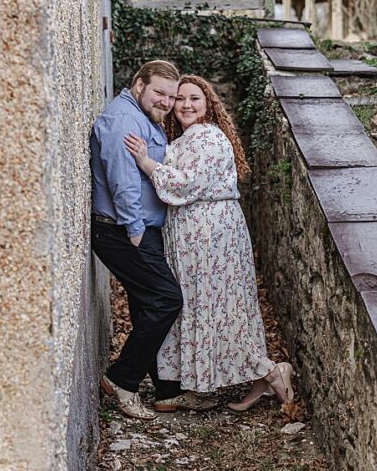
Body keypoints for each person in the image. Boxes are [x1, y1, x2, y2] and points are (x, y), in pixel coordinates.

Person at [124, 74, 294, 411]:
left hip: (212, 236)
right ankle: (242, 376)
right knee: (203, 306)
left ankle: (272, 371)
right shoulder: (186, 138)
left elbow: (188, 184)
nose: (186, 105)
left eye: (194, 99)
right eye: (181, 99)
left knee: (220, 306)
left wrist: (146, 163)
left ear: (208, 104)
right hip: (194, 237)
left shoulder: (208, 137)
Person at [90, 61, 218, 420]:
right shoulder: (123, 121)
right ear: (138, 85)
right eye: (159, 92)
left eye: (171, 96)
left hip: (137, 229)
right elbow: (123, 182)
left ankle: (166, 391)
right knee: (166, 300)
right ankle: (122, 380)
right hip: (122, 230)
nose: (166, 101)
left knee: (148, 305)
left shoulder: (143, 119)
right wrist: (134, 231)